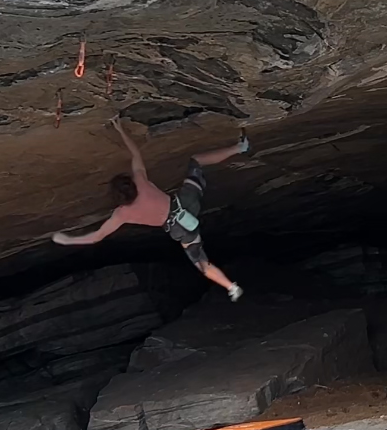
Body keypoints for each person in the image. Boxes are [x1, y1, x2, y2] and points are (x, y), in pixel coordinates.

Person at [51, 116, 250, 301]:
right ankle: (240, 147)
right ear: (130, 184)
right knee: (195, 162)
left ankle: (231, 287)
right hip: (186, 202)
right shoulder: (140, 180)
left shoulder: (122, 214)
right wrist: (119, 128)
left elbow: (96, 237)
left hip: (180, 228)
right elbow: (135, 153)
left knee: (201, 262)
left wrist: (68, 240)